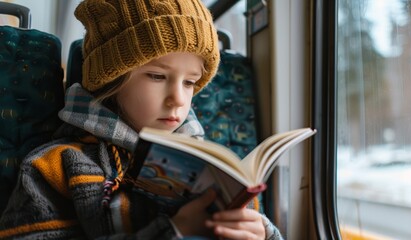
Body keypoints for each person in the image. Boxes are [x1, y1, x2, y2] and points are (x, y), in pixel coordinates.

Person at [0, 0, 284, 239]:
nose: (179, 99)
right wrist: (173, 232)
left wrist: (263, 233)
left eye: (190, 82)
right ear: (112, 80)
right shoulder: (57, 167)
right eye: (157, 76)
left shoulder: (215, 173)